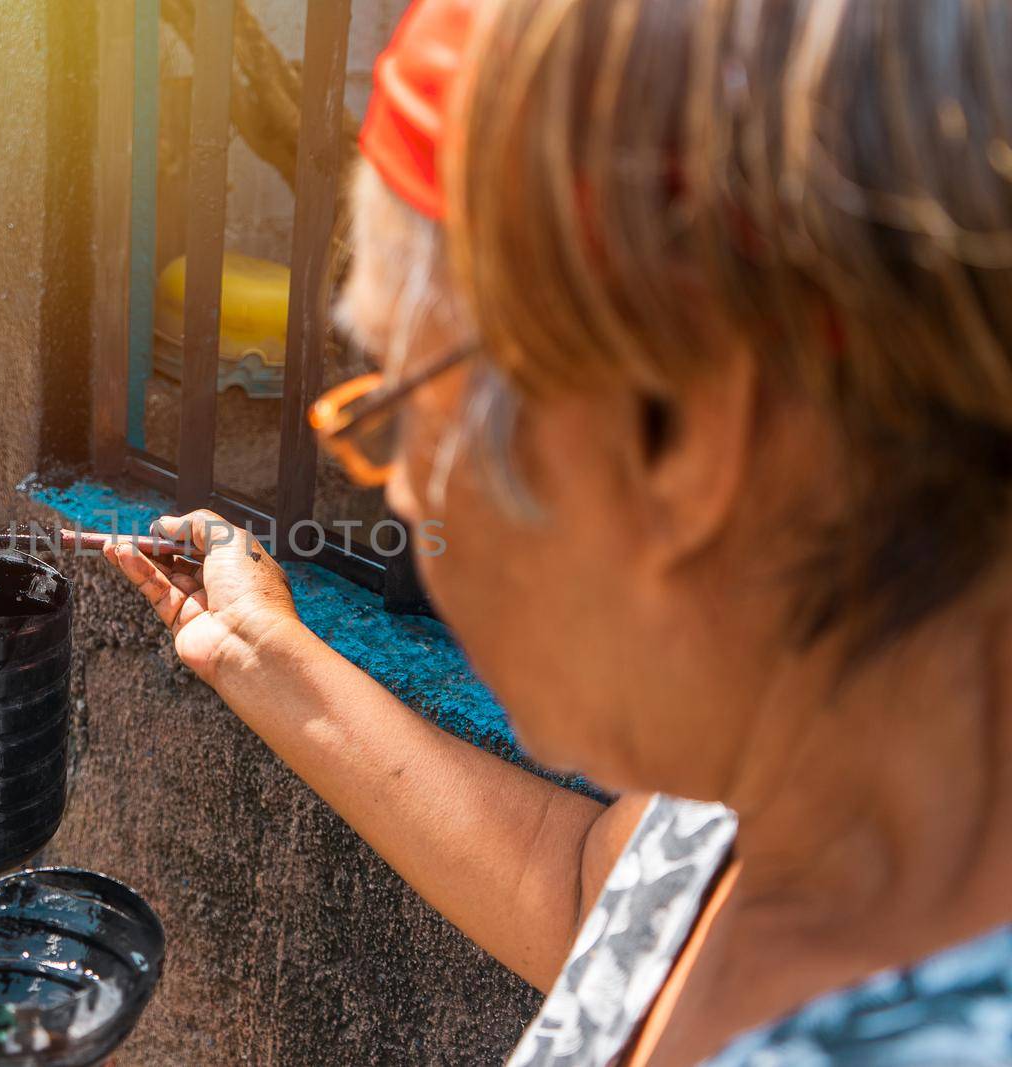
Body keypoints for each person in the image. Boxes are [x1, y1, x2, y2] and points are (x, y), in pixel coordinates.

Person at [105, 0, 1012, 1063]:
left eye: (403, 414)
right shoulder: (812, 749)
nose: (399, 496)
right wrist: (265, 655)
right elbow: (599, 896)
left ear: (684, 441)